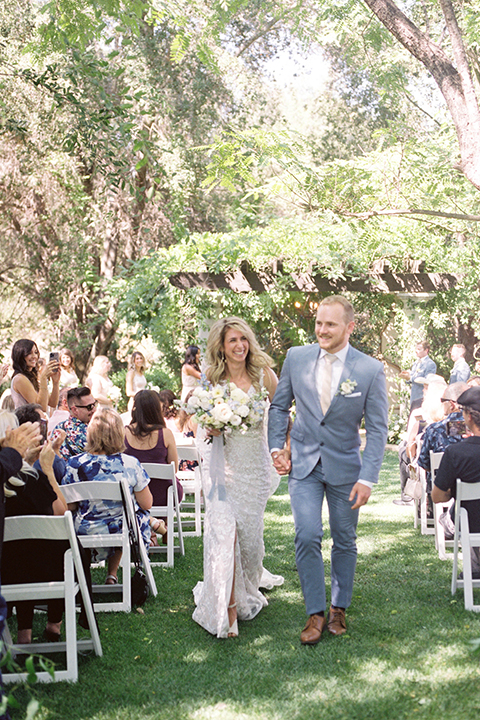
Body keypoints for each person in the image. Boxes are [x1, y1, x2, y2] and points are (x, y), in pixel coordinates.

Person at [268, 295, 388, 644]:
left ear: (349, 328)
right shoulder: (296, 357)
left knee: (344, 540)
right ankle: (315, 613)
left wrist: (368, 477)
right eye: (319, 322)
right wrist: (277, 446)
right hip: (304, 465)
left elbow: (379, 429)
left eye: (330, 324)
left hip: (346, 469)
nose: (322, 329)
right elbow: (279, 406)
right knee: (306, 535)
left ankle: (339, 608)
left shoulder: (369, 370)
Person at [192, 317, 279, 639]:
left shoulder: (264, 376)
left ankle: (246, 587)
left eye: (244, 338)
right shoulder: (211, 381)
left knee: (252, 544)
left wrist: (281, 450)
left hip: (254, 470)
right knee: (224, 533)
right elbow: (199, 425)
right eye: (232, 340)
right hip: (223, 469)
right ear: (222, 346)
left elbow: (279, 417)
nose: (240, 345)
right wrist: (210, 427)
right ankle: (226, 609)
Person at [62, 407, 153, 585]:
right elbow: (147, 503)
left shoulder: (75, 464)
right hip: (122, 531)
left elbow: (70, 506)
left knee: (119, 518)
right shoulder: (129, 464)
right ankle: (114, 573)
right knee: (134, 516)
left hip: (84, 531)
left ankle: (94, 576)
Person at [0, 410, 68, 644]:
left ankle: (24, 632)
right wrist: (47, 469)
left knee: (21, 556)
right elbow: (63, 513)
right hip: (48, 572)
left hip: (6, 573)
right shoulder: (33, 480)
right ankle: (53, 624)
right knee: (62, 550)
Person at [432, 386, 480, 579]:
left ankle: (475, 570)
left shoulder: (456, 453)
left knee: (458, 515)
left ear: (467, 416)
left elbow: (437, 497)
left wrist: (454, 491)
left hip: (472, 524)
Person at [124, 389, 182, 543]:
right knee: (173, 486)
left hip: (135, 497)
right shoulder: (166, 434)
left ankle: (151, 530)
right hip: (163, 496)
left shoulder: (124, 433)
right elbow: (174, 469)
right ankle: (164, 525)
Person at [10, 339, 60, 412]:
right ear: (20, 355)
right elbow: (41, 407)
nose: (34, 356)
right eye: (29, 353)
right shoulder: (19, 379)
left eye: (36, 352)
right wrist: (43, 378)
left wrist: (55, 382)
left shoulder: (32, 377)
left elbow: (52, 403)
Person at [56, 387, 97, 461]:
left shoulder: (59, 427)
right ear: (75, 410)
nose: (94, 409)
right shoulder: (89, 433)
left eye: (95, 404)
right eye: (89, 407)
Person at [399, 341, 437, 408]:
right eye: (416, 349)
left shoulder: (430, 364)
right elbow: (412, 377)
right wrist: (407, 377)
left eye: (419, 349)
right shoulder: (416, 363)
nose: (416, 351)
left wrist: (410, 378)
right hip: (413, 398)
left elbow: (427, 382)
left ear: (426, 350)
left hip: (422, 398)